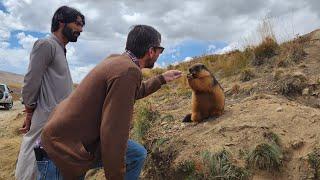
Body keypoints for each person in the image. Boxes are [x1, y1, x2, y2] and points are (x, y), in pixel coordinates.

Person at [38, 25, 182, 179]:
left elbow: (129, 93)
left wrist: (161, 79)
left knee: (136, 154)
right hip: (60, 153)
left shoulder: (117, 61)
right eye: (160, 50)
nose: (160, 54)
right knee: (130, 152)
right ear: (151, 51)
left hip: (67, 141)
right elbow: (113, 132)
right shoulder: (127, 72)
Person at [15, 6, 85, 180]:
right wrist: (30, 111)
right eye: (77, 24)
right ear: (61, 21)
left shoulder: (60, 48)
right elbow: (31, 80)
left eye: (82, 25)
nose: (81, 30)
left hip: (56, 120)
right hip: (45, 117)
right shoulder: (46, 44)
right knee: (33, 158)